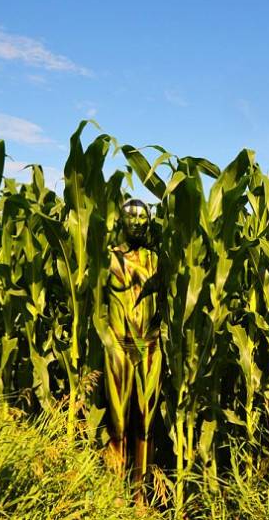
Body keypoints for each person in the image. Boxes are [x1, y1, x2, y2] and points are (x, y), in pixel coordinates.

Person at [103, 198, 162, 492]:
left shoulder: (155, 259)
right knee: (117, 419)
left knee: (144, 419)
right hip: (117, 342)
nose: (137, 221)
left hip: (147, 344)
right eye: (131, 216)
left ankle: (140, 490)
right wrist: (106, 336)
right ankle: (113, 491)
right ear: (121, 221)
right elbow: (95, 303)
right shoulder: (110, 258)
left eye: (143, 216)